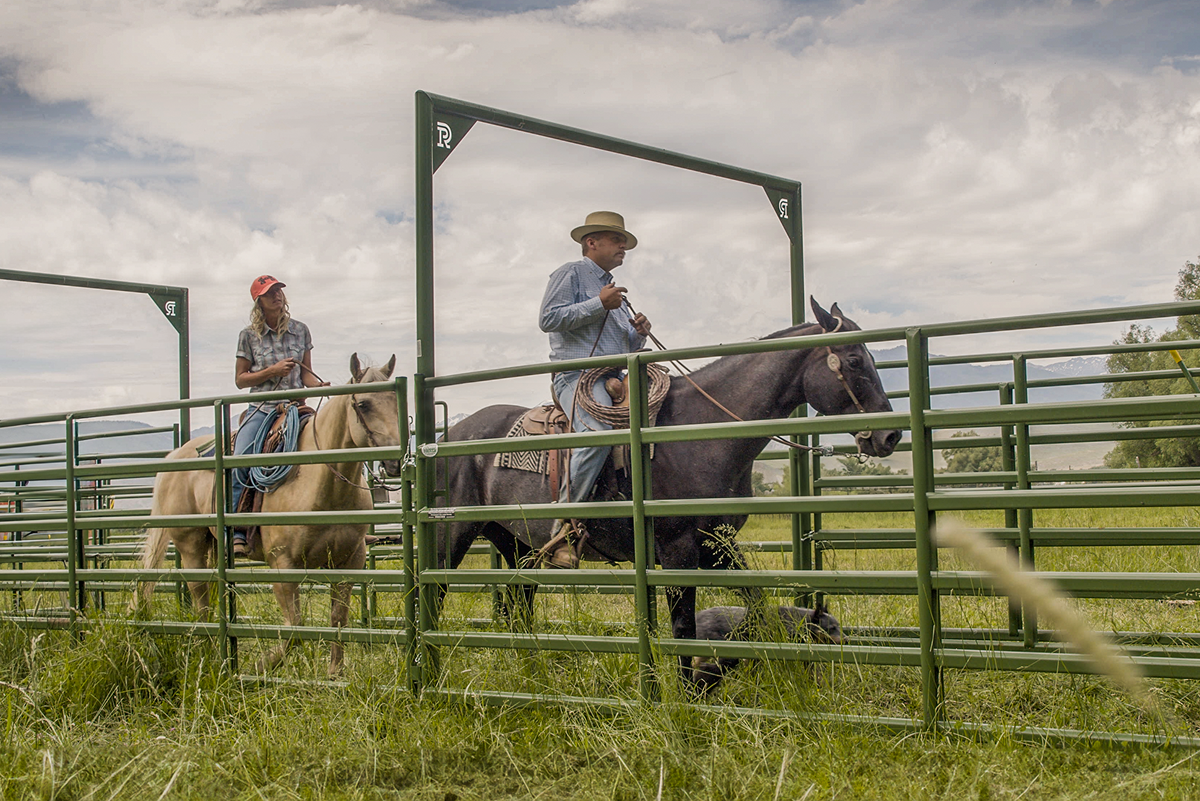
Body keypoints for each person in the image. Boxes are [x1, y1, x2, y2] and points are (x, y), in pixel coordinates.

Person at [538, 211, 652, 567]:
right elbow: (548, 319)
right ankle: (560, 529)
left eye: (624, 242)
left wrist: (638, 334)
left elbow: (618, 345)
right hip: (578, 377)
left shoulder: (614, 290)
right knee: (599, 432)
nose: (623, 247)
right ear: (592, 242)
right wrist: (597, 304)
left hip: (613, 375)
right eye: (617, 240)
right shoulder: (570, 274)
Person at [229, 274, 327, 557]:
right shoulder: (248, 336)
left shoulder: (301, 330)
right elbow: (240, 379)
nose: (277, 296)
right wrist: (272, 371)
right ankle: (237, 530)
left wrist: (318, 386)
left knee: (332, 444)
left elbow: (306, 374)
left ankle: (345, 523)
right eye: (270, 293)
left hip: (297, 407)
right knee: (242, 458)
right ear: (259, 301)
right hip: (263, 407)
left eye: (279, 290)